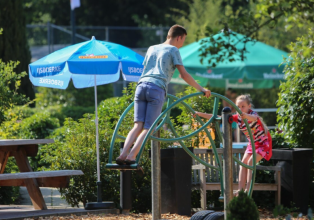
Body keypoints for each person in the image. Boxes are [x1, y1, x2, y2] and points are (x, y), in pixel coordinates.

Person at [116, 24, 211, 165]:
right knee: (149, 128)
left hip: (141, 86)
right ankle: (131, 156)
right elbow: (184, 75)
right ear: (179, 37)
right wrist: (201, 89)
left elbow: (145, 68)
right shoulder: (174, 50)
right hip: (156, 88)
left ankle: (122, 154)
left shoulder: (151, 48)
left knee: (137, 126)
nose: (182, 43)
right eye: (183, 40)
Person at [193, 94, 272, 195]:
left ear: (249, 106)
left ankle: (248, 190)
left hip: (263, 143)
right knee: (243, 163)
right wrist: (199, 114)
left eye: (243, 106)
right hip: (253, 144)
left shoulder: (252, 114)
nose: (240, 109)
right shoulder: (238, 117)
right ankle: (240, 190)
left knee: (251, 162)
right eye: (238, 107)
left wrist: (246, 116)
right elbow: (218, 117)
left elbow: (255, 118)